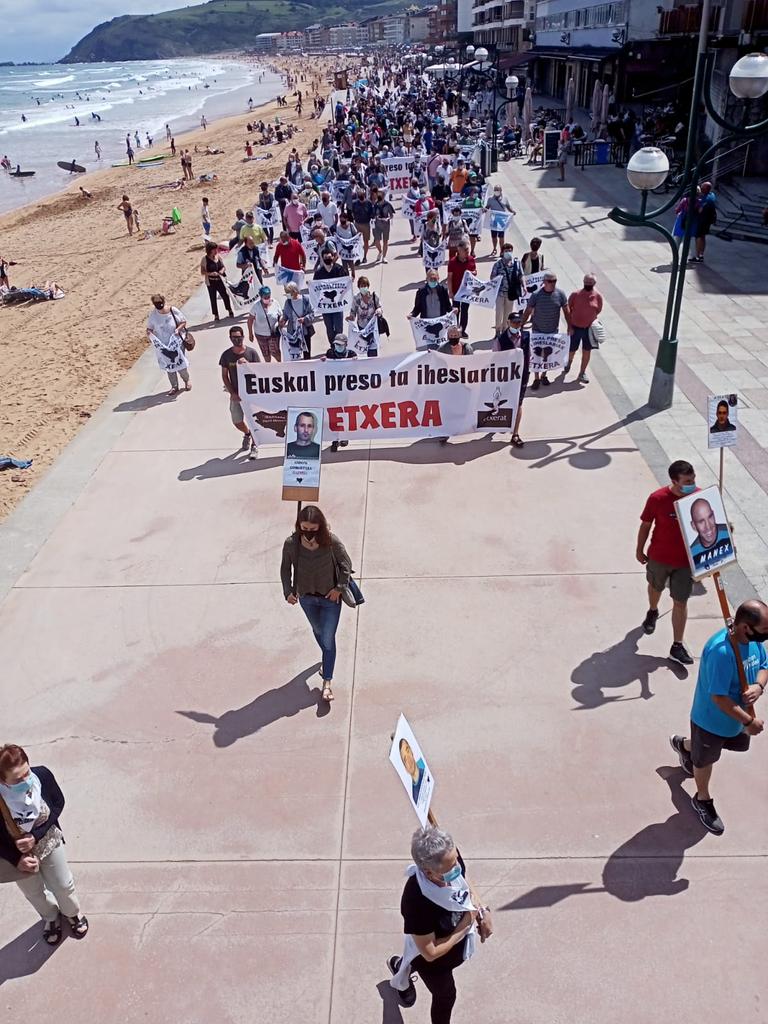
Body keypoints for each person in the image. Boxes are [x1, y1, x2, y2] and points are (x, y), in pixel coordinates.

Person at [670, 600, 768, 834]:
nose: (767, 634)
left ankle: (685, 746)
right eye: (765, 630)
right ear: (746, 627)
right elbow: (719, 698)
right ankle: (702, 799)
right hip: (711, 721)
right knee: (705, 761)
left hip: (734, 721)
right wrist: (748, 722)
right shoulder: (721, 652)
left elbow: (764, 664)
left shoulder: (751, 643)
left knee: (710, 750)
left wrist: (759, 686)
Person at [388, 826, 492, 1021]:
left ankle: (400, 964)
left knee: (410, 963)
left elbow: (464, 879)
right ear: (428, 872)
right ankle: (403, 969)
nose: (457, 869)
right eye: (450, 868)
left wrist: (482, 909)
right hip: (434, 964)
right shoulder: (416, 902)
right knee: (446, 995)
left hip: (451, 947)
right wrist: (466, 923)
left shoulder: (448, 860)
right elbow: (430, 953)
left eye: (456, 861)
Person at [0, 744, 89, 945]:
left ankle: (72, 913)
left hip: (48, 840)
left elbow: (58, 803)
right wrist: (16, 858)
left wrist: (36, 835)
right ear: (3, 781)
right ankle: (50, 918)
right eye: (16, 779)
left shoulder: (41, 776)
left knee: (63, 885)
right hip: (19, 857)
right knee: (34, 893)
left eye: (26, 772)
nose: (25, 781)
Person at [280, 505, 353, 703]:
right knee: (318, 631)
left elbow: (346, 565)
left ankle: (327, 681)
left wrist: (338, 588)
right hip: (306, 598)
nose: (309, 533)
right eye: (304, 528)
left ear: (319, 526)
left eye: (313, 529)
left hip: (330, 599)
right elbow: (285, 569)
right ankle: (327, 658)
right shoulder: (291, 544)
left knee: (328, 639)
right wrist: (288, 591)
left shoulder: (330, 541)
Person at [636, 459, 697, 666]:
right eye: (687, 480)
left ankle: (677, 645)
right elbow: (645, 525)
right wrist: (639, 549)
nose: (692, 483)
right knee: (655, 587)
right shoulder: (658, 498)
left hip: (685, 563)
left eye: (693, 478)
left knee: (681, 602)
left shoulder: (698, 497)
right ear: (674, 481)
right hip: (659, 558)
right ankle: (653, 610)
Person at [520, 271, 569, 388]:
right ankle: (536, 378)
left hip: (552, 330)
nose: (553, 284)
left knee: (548, 354)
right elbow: (528, 310)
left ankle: (544, 375)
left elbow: (566, 311)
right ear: (544, 282)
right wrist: (521, 324)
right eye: (550, 281)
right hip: (538, 330)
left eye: (555, 281)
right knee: (537, 355)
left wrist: (570, 326)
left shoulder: (560, 294)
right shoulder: (536, 295)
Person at [218, 325, 259, 459]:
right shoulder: (226, 355)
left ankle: (255, 444)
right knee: (237, 420)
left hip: (252, 393)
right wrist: (232, 393)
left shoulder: (251, 353)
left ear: (243, 337)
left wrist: (247, 365)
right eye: (234, 337)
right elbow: (225, 375)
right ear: (230, 338)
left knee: (255, 421)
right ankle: (247, 433)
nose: (237, 340)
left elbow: (260, 372)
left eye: (239, 337)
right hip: (236, 394)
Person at [496, 310, 530, 448]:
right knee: (502, 402)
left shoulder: (527, 336)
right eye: (514, 322)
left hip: (522, 376)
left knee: (518, 403)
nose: (517, 325)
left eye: (519, 322)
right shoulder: (500, 339)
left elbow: (530, 354)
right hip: (506, 377)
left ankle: (515, 434)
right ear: (508, 322)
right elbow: (495, 358)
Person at [146, 293, 190, 395]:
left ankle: (187, 380)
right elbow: (150, 328)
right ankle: (174, 386)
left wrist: (177, 330)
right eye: (156, 303)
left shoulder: (172, 310)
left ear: (164, 301)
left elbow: (183, 321)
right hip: (164, 345)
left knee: (180, 362)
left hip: (176, 342)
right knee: (169, 366)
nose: (159, 305)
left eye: (160, 302)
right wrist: (149, 332)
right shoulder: (153, 315)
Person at [564, 273, 603, 384]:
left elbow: (598, 310)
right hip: (575, 328)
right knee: (572, 349)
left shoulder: (598, 297)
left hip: (589, 329)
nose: (587, 284)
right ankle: (569, 363)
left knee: (587, 351)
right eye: (586, 282)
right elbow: (568, 310)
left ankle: (582, 372)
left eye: (590, 283)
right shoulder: (575, 295)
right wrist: (569, 326)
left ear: (594, 284)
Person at [313, 245, 347, 345]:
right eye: (325, 257)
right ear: (322, 258)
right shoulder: (319, 272)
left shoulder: (339, 269)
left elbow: (346, 285)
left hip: (338, 304)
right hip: (325, 306)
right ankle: (332, 346)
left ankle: (340, 345)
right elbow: (315, 288)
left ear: (333, 257)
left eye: (329, 257)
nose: (328, 259)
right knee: (329, 328)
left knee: (339, 327)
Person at [689, 497, 734, 572]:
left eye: (710, 517)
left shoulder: (727, 532)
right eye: (701, 521)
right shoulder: (693, 552)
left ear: (714, 514)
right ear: (693, 526)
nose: (708, 526)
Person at [490, 243, 525, 336]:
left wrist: (524, 286)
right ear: (502, 252)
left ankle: (505, 331)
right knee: (499, 313)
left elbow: (521, 275)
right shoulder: (498, 264)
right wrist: (498, 278)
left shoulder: (516, 264)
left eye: (510, 250)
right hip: (500, 293)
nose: (508, 252)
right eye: (506, 251)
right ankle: (497, 331)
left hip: (511, 294)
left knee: (508, 314)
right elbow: (492, 277)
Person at [446, 241, 476, 339]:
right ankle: (455, 330)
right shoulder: (452, 262)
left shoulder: (471, 259)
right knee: (455, 311)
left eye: (468, 249)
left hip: (467, 291)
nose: (467, 252)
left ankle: (462, 330)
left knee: (465, 311)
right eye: (465, 250)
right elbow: (449, 277)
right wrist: (450, 291)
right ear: (459, 251)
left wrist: (473, 272)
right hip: (456, 291)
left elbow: (475, 271)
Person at [347, 277, 383, 357]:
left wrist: (378, 311)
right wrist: (351, 317)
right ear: (359, 287)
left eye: (365, 285)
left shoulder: (374, 297)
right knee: (363, 347)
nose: (363, 287)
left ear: (368, 286)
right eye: (361, 285)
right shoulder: (356, 298)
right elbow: (353, 311)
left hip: (373, 327)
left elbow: (379, 307)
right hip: (362, 327)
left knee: (373, 348)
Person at [280, 281, 314, 359]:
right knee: (294, 353)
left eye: (288, 292)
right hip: (293, 332)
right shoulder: (288, 302)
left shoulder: (306, 300)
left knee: (307, 353)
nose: (287, 294)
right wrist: (283, 321)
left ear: (294, 291)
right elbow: (285, 315)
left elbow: (312, 314)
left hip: (304, 331)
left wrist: (304, 319)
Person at [247, 285, 281, 363]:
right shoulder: (256, 306)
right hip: (260, 334)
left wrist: (280, 325)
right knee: (266, 354)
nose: (267, 299)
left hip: (273, 334)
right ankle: (268, 367)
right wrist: (250, 333)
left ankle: (280, 365)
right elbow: (250, 320)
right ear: (261, 297)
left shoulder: (275, 303)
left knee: (275, 352)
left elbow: (280, 315)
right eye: (265, 297)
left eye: (268, 297)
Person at [201, 241, 233, 321]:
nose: (216, 251)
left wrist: (222, 270)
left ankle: (229, 310)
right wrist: (211, 273)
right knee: (213, 298)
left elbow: (223, 266)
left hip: (220, 280)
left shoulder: (218, 257)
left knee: (225, 295)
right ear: (210, 250)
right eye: (214, 249)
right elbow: (202, 272)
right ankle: (216, 314)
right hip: (211, 282)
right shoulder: (204, 259)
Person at [485, 185, 515, 256]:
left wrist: (512, 211)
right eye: (495, 190)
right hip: (493, 220)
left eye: (498, 190)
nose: (496, 191)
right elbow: (487, 207)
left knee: (501, 237)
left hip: (501, 221)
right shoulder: (490, 199)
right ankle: (494, 248)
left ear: (501, 191)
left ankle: (502, 250)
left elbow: (508, 207)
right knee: (494, 236)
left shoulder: (505, 199)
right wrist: (484, 210)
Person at [691, 182, 717, 263]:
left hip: (702, 221)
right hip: (708, 220)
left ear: (705, 190)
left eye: (702, 188)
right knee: (703, 237)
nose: (701, 190)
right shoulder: (712, 195)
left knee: (698, 237)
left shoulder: (705, 200)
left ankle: (697, 256)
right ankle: (701, 255)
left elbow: (699, 210)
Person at [372, 189, 395, 264]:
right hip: (377, 225)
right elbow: (373, 215)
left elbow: (391, 215)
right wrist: (376, 217)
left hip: (386, 225)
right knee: (377, 242)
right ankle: (380, 251)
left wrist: (388, 218)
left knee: (385, 241)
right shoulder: (375, 205)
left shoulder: (388, 205)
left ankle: (384, 257)